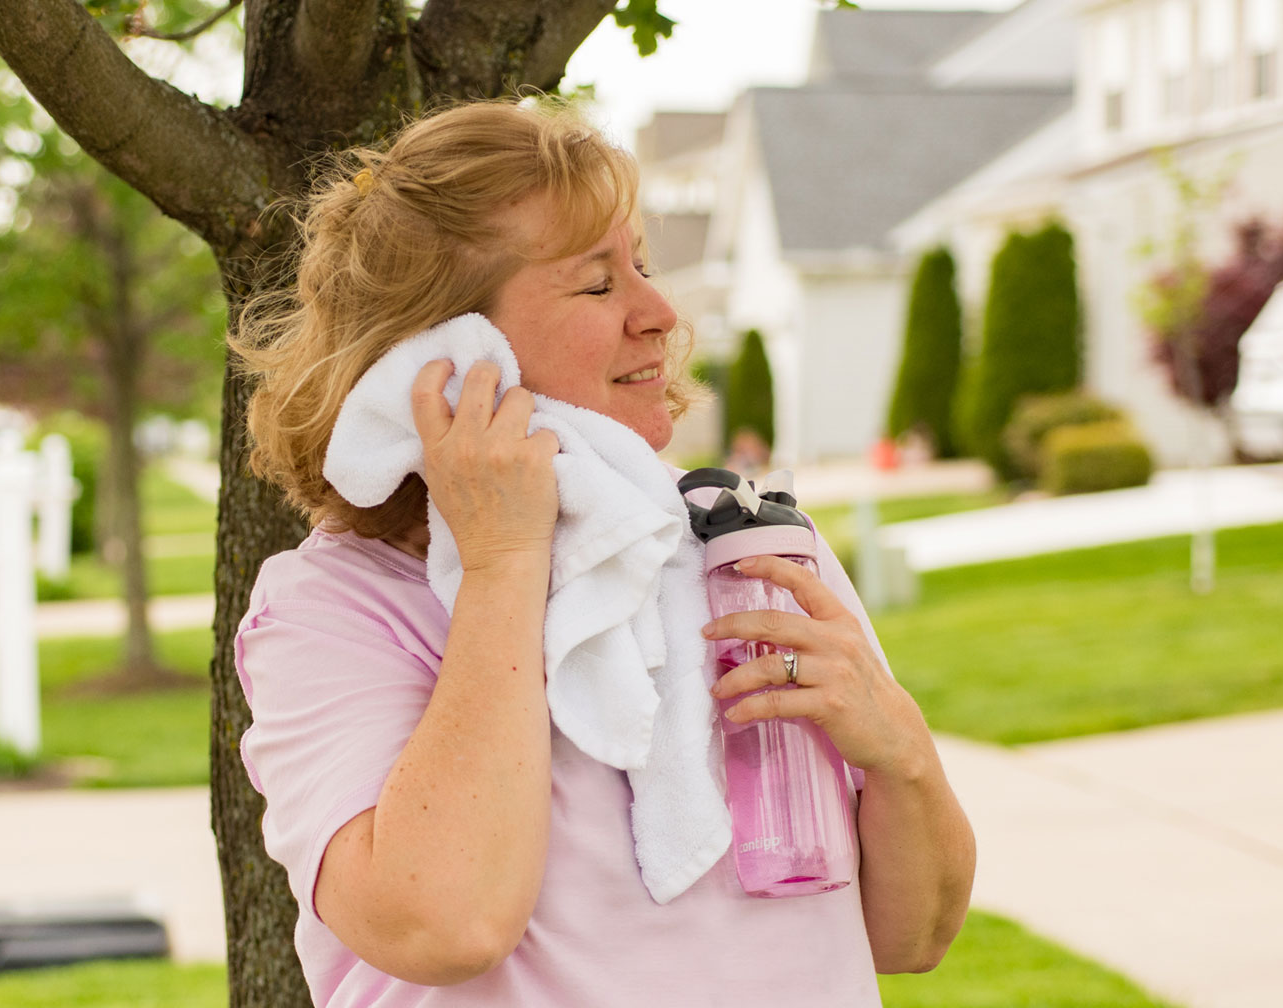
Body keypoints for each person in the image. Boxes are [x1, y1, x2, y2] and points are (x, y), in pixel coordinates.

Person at [229, 99, 975, 1007]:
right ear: (450, 356)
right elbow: (446, 922)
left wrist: (901, 753)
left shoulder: (746, 546)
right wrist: (505, 561)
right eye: (596, 284)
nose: (660, 313)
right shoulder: (332, 609)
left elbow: (914, 935)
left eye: (644, 269)